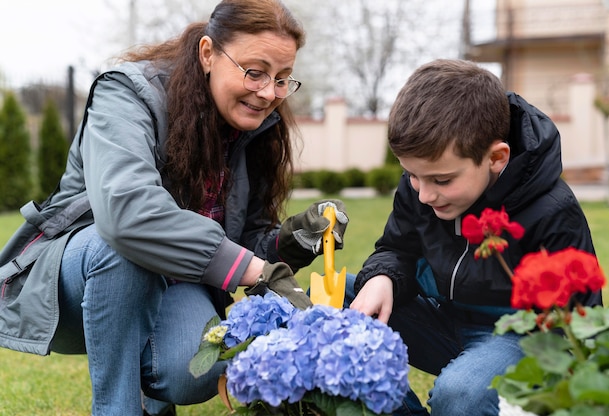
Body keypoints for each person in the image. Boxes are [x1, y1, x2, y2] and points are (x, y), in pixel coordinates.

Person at [0, 1, 349, 415]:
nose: (269, 92)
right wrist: (257, 272)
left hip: (174, 285)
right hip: (78, 280)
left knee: (195, 369)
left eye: (282, 79)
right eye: (255, 72)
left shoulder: (254, 129)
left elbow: (240, 243)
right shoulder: (127, 93)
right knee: (122, 250)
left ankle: (154, 402)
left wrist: (288, 242)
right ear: (208, 53)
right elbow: (127, 215)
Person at [349, 59, 603, 416]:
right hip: (440, 321)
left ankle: (470, 385)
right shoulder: (423, 186)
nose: (423, 195)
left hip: (514, 339)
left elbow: (577, 323)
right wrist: (382, 276)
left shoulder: (552, 210)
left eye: (442, 180)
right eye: (411, 176)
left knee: (460, 395)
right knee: (336, 306)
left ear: (497, 158)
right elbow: (396, 248)